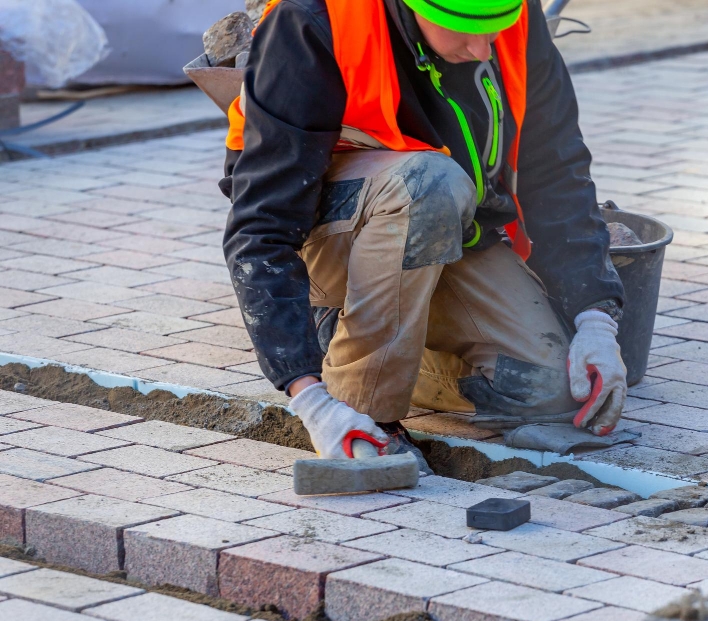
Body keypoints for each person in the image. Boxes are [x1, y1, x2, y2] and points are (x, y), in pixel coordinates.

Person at [220, 0, 627, 466]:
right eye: (464, 29)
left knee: (547, 387)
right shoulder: (312, 22)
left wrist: (595, 318)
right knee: (430, 183)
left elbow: (555, 167)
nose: (482, 49)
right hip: (333, 239)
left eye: (494, 29)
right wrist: (309, 397)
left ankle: (355, 342)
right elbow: (261, 229)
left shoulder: (516, 15)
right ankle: (364, 411)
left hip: (447, 229)